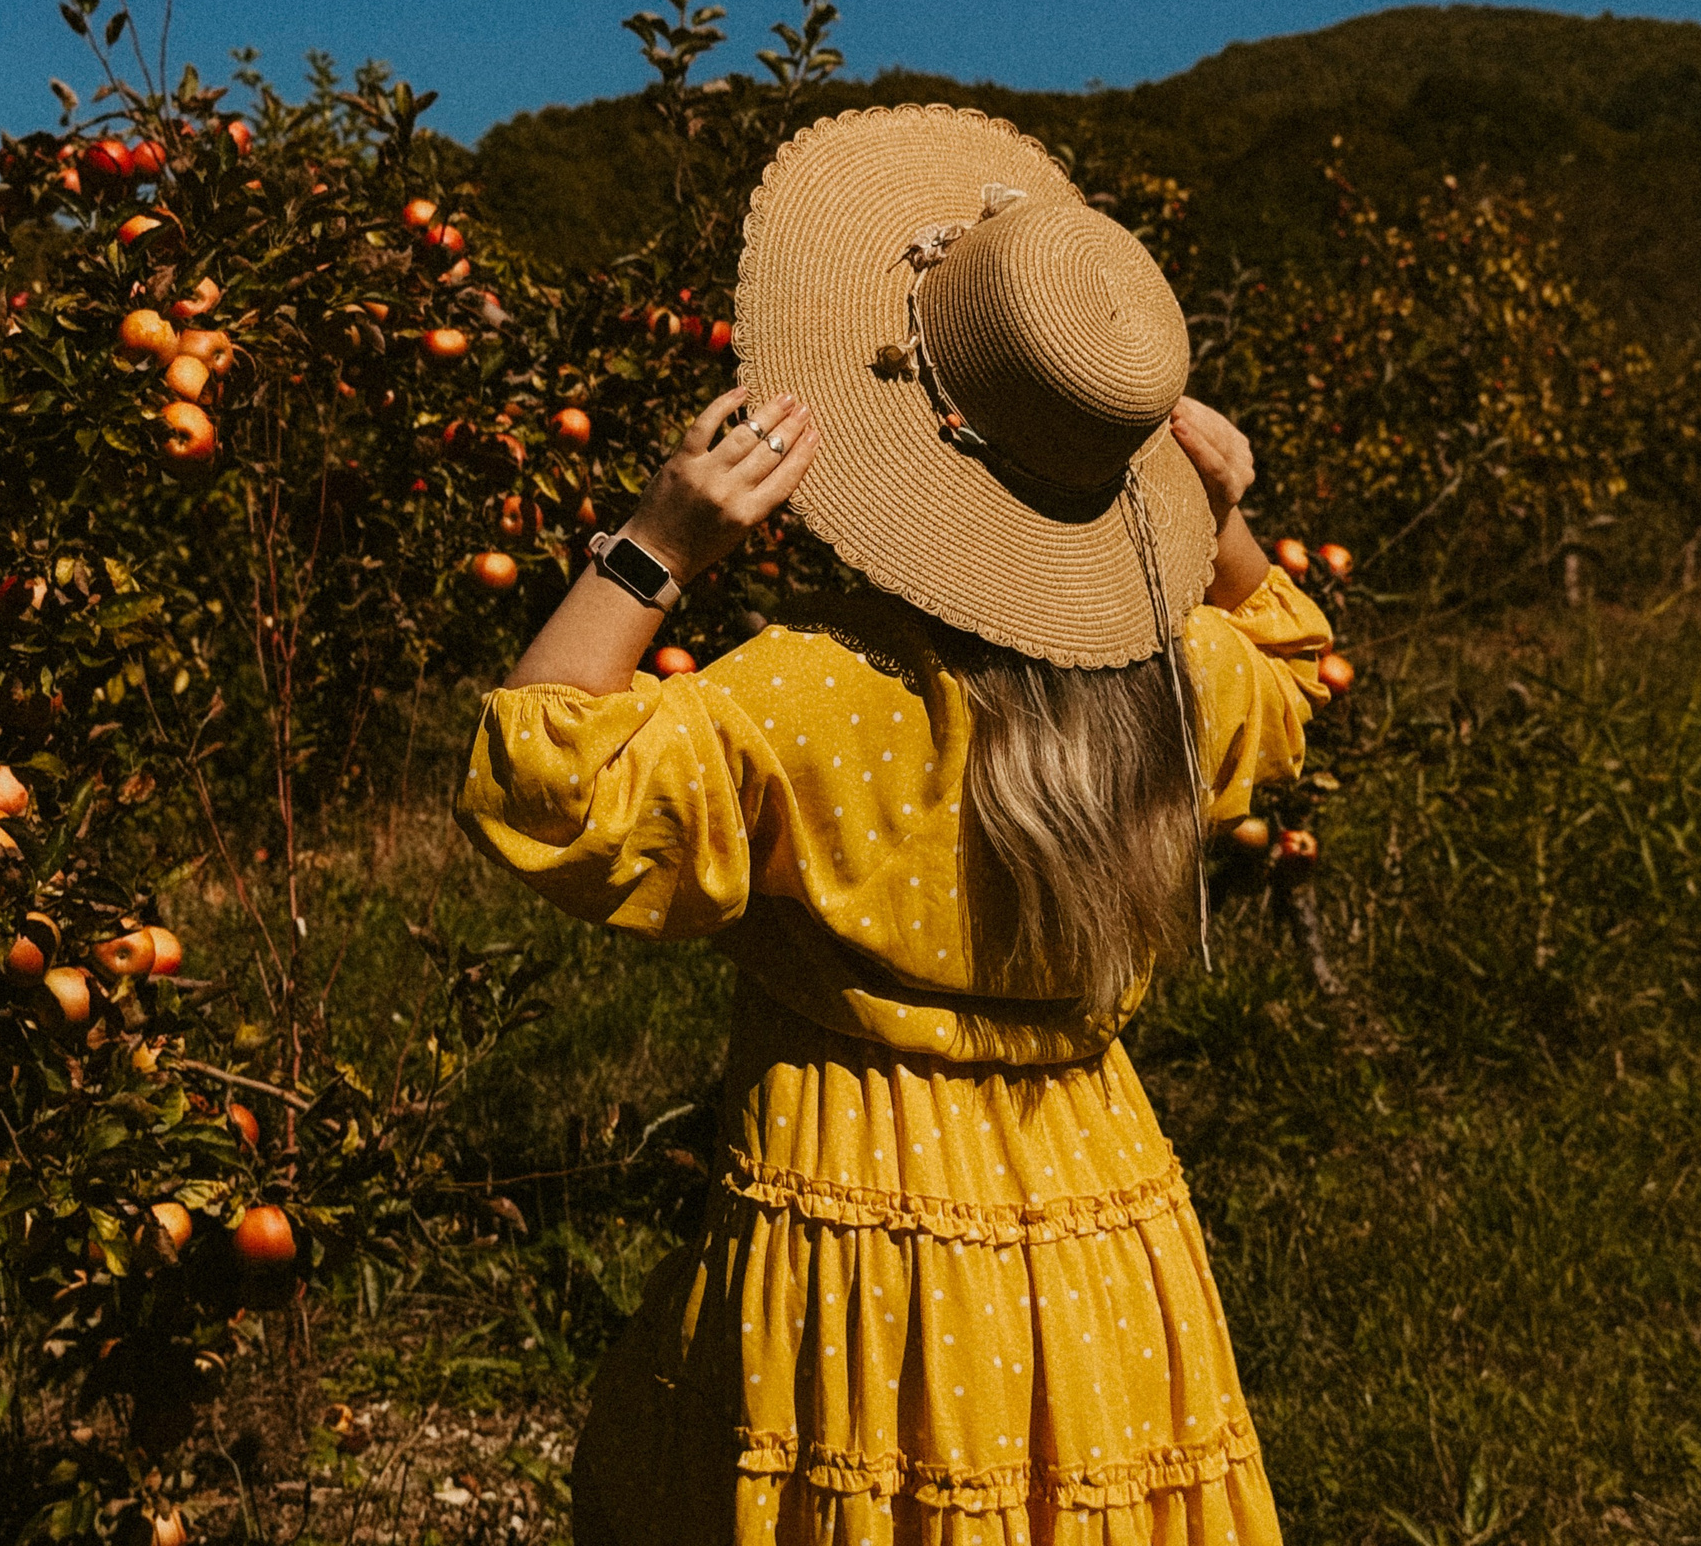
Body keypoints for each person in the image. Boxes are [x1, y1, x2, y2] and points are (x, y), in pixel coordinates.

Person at [457, 106, 1332, 1545]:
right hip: (1106, 1223)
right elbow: (1293, 656)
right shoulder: (1172, 691)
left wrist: (656, 544)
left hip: (857, 1219)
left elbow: (541, 782)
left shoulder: (803, 702)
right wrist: (1216, 512)